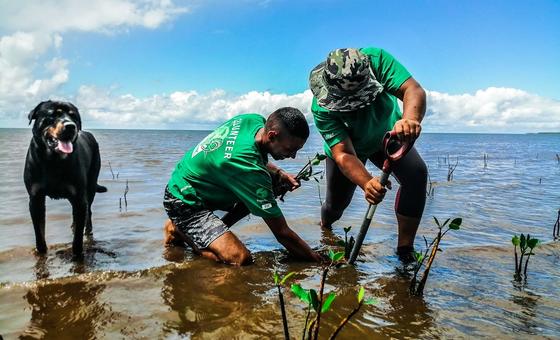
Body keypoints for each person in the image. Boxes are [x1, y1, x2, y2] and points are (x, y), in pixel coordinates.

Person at [309, 47, 427, 262]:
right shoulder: (321, 108)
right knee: (335, 206)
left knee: (416, 175)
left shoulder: (377, 60)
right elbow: (343, 154)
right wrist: (366, 183)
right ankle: (326, 230)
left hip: (388, 135)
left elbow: (413, 90)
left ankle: (404, 250)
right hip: (349, 149)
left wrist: (410, 120)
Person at [163, 107, 323, 266]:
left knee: (272, 182)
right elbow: (282, 233)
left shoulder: (253, 120)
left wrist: (279, 173)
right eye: (290, 149)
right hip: (184, 200)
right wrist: (317, 260)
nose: (293, 156)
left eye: (297, 150)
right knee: (239, 258)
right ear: (272, 135)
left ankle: (212, 233)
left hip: (196, 181)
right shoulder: (251, 171)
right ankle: (185, 235)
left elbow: (249, 157)